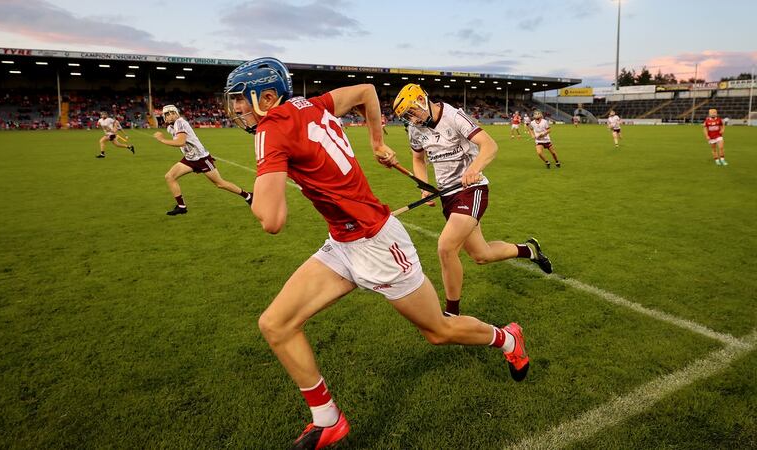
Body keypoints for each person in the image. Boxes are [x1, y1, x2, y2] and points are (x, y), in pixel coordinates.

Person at [224, 57, 530, 449]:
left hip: (378, 242)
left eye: (240, 101)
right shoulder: (311, 104)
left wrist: (262, 175)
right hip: (342, 242)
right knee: (276, 324)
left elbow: (271, 220)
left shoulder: (270, 130)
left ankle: (507, 339)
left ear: (267, 96)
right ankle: (327, 419)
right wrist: (375, 141)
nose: (236, 109)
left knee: (438, 330)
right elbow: (367, 93)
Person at [392, 83, 552, 317]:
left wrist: (474, 169)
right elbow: (418, 159)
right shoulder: (416, 129)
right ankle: (529, 251)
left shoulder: (454, 116)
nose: (412, 120)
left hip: (472, 190)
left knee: (445, 248)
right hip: (448, 195)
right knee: (481, 255)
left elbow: (489, 145)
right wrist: (424, 186)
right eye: (407, 117)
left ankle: (451, 315)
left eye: (412, 113)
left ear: (420, 101)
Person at [152, 105, 252, 215]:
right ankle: (181, 207)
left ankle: (248, 196)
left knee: (220, 183)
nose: (169, 116)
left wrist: (161, 139)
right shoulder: (170, 127)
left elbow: (181, 142)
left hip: (201, 158)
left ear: (176, 113)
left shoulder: (180, 122)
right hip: (190, 158)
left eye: (171, 113)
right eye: (167, 114)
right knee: (170, 176)